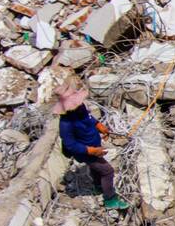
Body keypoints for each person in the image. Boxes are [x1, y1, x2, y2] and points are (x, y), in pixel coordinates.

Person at [54, 83, 129, 211]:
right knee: (107, 171)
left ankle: (98, 186)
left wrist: (99, 126)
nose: (79, 104)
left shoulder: (80, 108)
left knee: (96, 169)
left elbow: (89, 118)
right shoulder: (65, 124)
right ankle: (110, 199)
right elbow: (70, 144)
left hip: (93, 144)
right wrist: (91, 151)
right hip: (84, 152)